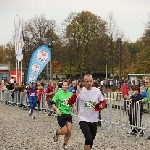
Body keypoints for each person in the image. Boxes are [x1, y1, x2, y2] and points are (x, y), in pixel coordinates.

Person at [68, 74, 106, 150]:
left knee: (91, 140)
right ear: (84, 82)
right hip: (83, 119)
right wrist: (76, 93)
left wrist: (102, 105)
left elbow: (103, 102)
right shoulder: (80, 91)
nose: (89, 83)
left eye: (91, 81)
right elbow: (70, 102)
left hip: (94, 119)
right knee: (88, 138)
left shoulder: (97, 91)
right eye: (87, 81)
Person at [51, 80, 76, 150]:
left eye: (66, 85)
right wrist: (56, 109)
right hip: (61, 114)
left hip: (68, 113)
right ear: (62, 86)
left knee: (69, 130)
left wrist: (73, 107)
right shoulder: (58, 94)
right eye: (63, 85)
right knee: (64, 130)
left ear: (68, 86)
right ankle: (57, 133)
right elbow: (52, 103)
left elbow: (71, 103)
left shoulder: (70, 94)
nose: (65, 86)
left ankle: (65, 144)